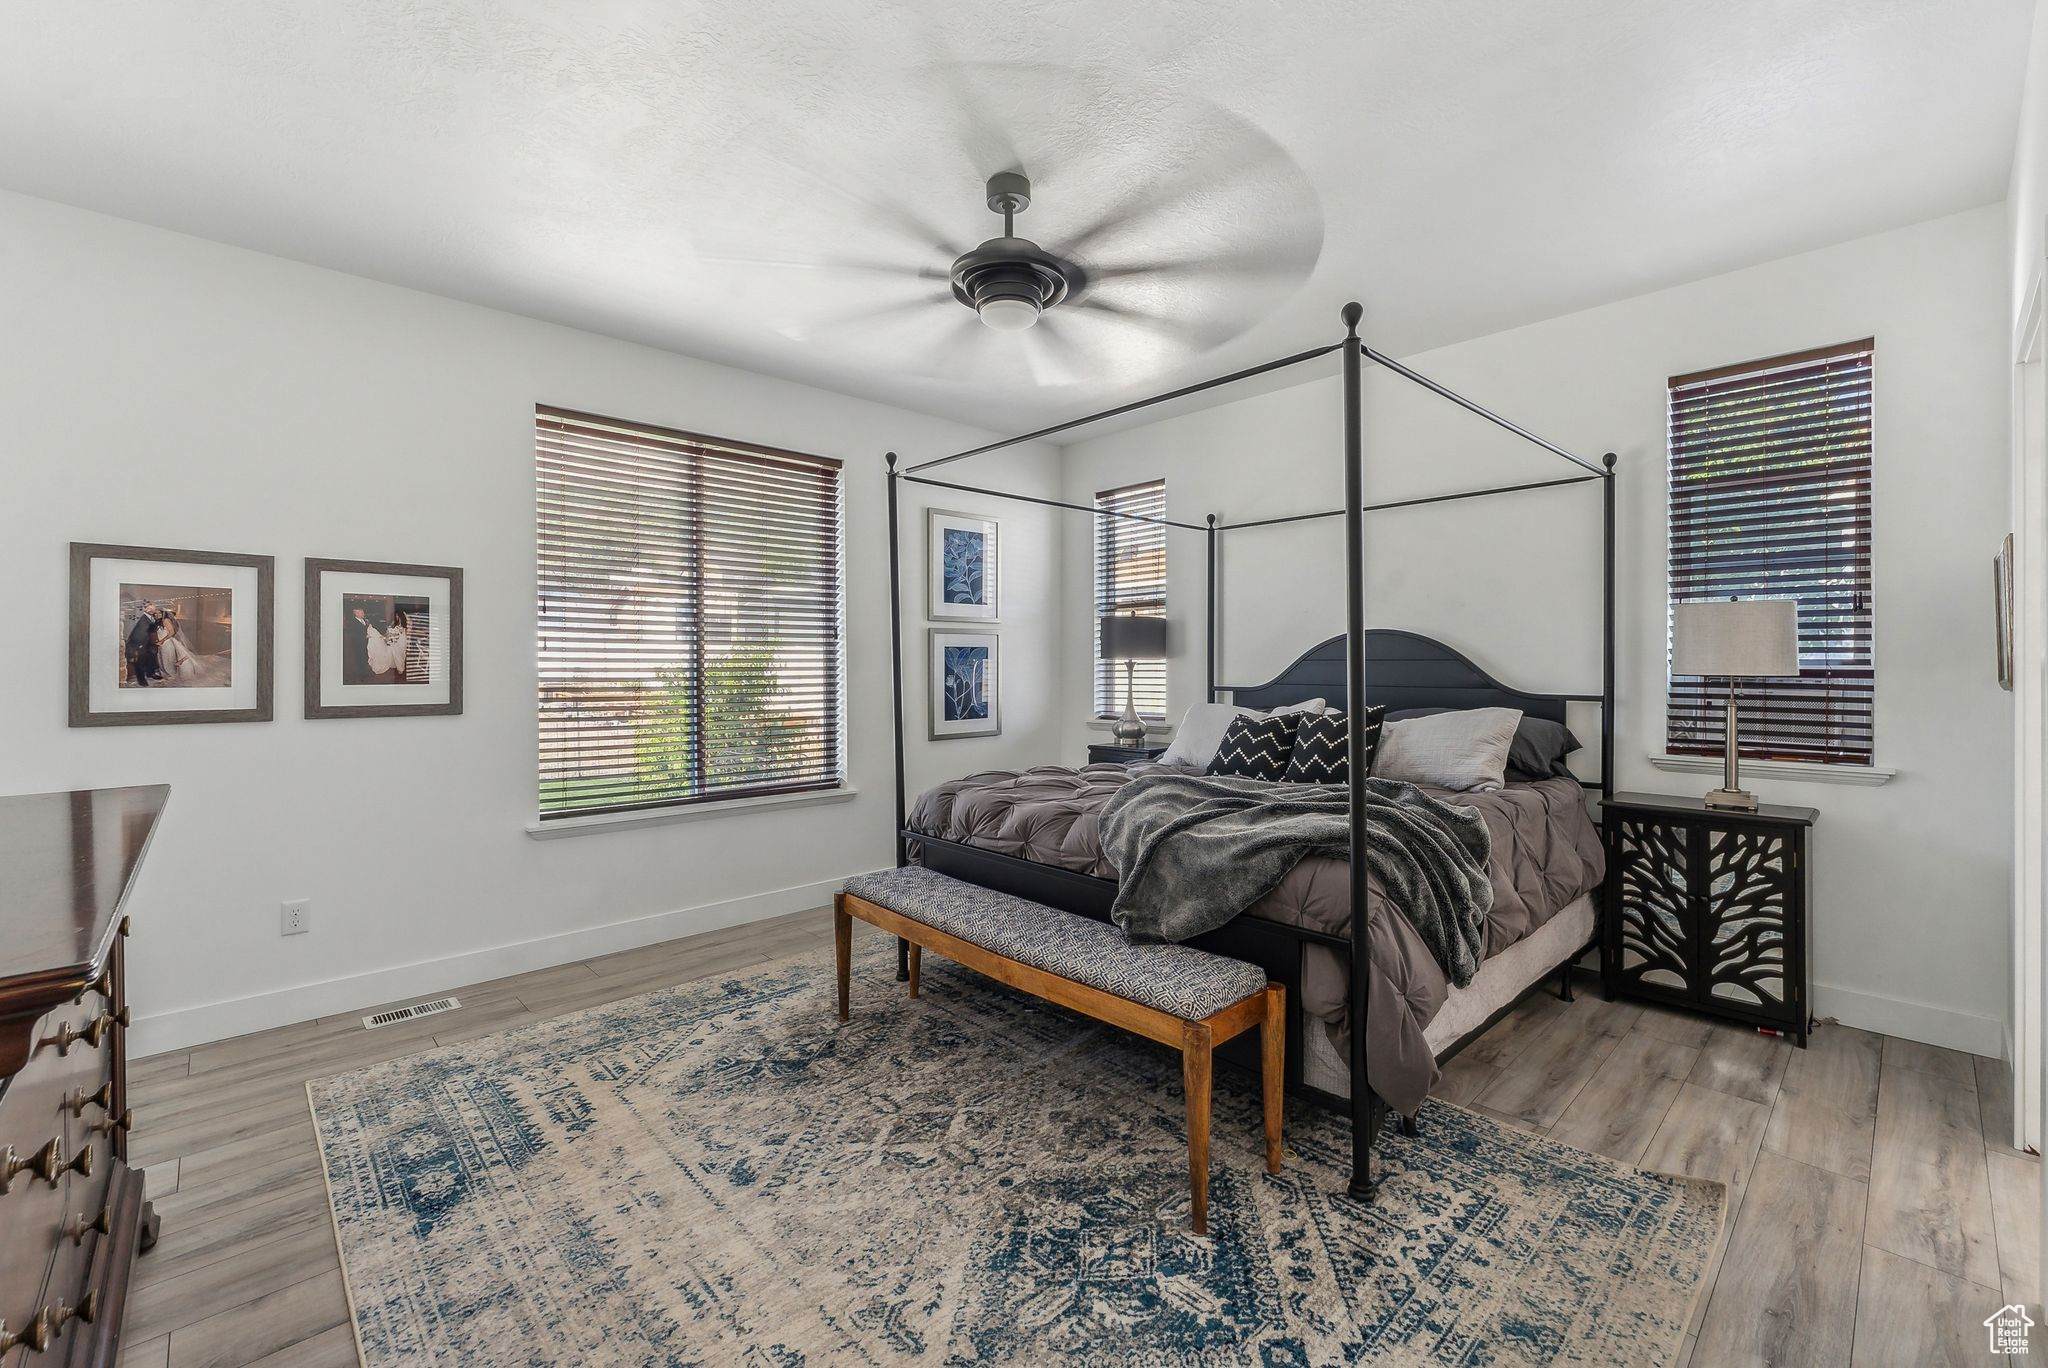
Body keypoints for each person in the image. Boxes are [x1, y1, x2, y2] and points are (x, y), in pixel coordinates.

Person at [125, 604, 164, 686]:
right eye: (150, 609)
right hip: (141, 644)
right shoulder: (144, 619)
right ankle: (141, 680)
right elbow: (139, 634)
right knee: (140, 662)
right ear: (147, 610)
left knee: (150, 659)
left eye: (153, 609)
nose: (152, 610)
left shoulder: (149, 618)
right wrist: (139, 646)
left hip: (148, 644)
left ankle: (151, 674)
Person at [155, 613, 199, 683]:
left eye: (159, 613)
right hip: (160, 644)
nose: (157, 615)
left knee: (168, 659)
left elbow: (172, 632)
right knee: (161, 659)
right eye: (156, 614)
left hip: (167, 643)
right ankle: (165, 674)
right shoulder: (157, 622)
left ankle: (172, 675)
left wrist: (162, 641)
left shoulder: (166, 620)